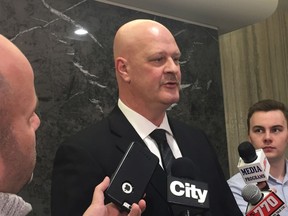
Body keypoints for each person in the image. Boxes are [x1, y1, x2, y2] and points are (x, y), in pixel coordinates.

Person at [51, 19, 242, 216]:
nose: (173, 69)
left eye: (176, 59)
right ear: (124, 69)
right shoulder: (83, 152)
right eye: (158, 59)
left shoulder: (197, 141)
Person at [0, 34, 145, 216]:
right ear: (122, 68)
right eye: (29, 115)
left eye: (177, 59)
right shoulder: (81, 148)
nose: (37, 121)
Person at [228, 99, 288, 215]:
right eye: (259, 130)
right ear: (249, 137)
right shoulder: (235, 188)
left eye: (276, 129)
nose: (267, 137)